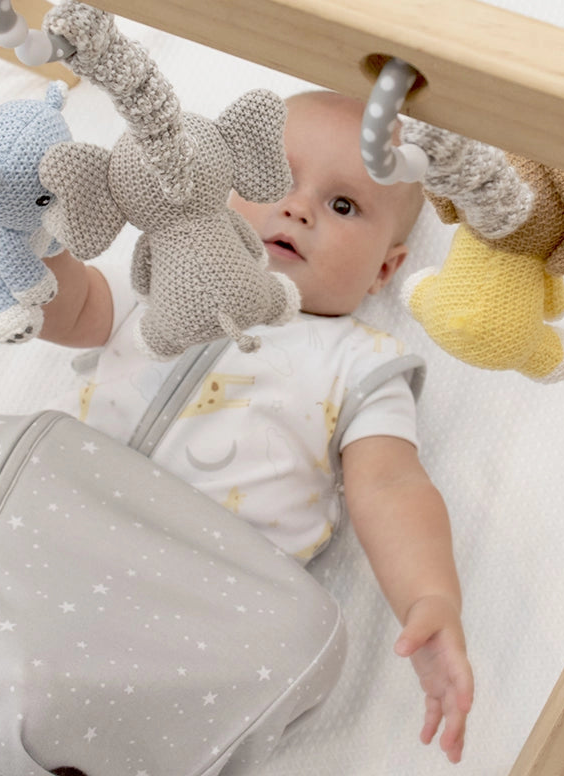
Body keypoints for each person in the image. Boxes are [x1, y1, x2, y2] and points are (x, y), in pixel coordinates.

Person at [39, 89, 474, 764]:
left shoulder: (361, 362)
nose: (298, 208)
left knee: (299, 638)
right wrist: (30, 242)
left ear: (385, 269)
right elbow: (67, 311)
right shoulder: (161, 273)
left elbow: (391, 487)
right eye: (275, 176)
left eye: (344, 205)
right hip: (72, 535)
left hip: (207, 593)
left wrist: (430, 597)